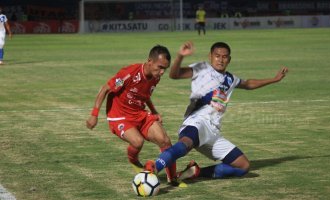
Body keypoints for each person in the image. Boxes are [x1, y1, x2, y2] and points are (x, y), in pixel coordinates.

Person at [144, 41, 288, 180]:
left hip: (213, 132)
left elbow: (248, 83)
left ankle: (195, 172)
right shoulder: (202, 68)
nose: (220, 59)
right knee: (186, 144)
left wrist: (274, 79)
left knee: (243, 166)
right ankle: (154, 167)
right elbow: (174, 75)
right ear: (210, 56)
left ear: (229, 59)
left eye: (224, 57)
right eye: (217, 56)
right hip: (196, 122)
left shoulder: (230, 79)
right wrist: (180, 56)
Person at [86, 45, 182, 186]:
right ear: (149, 61)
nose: (162, 72)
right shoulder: (129, 73)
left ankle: (172, 179)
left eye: (165, 69)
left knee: (165, 140)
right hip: (119, 116)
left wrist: (154, 111)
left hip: (139, 113)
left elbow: (144, 94)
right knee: (137, 142)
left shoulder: (155, 77)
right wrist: (94, 114)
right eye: (160, 67)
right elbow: (105, 88)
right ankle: (133, 160)